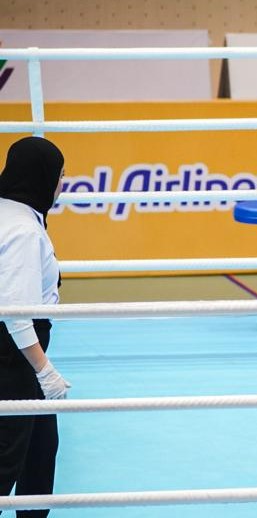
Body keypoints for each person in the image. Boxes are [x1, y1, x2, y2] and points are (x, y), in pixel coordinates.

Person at [0, 136, 71, 517]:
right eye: (60, 176)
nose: (62, 185)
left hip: (15, 351)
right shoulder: (23, 231)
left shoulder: (10, 213)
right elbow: (16, 311)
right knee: (7, 457)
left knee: (41, 450)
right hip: (14, 356)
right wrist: (43, 370)